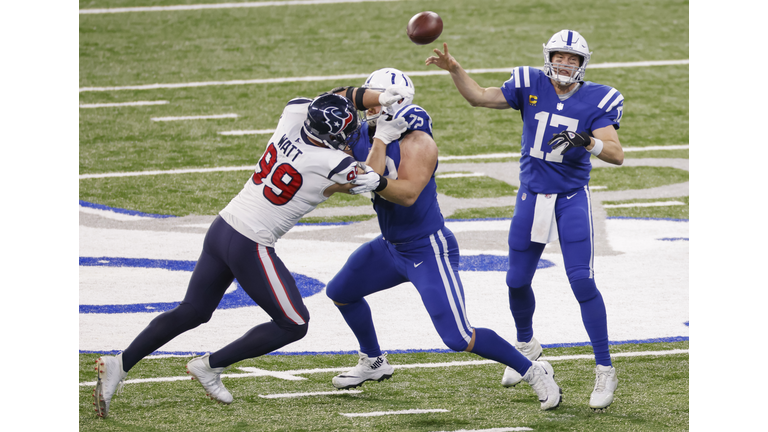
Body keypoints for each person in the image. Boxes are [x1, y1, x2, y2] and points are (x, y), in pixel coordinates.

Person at [92, 86, 413, 418]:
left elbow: (335, 96)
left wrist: (378, 97)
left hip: (224, 226)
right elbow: (369, 180)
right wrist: (383, 137)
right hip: (250, 243)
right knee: (294, 323)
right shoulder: (333, 161)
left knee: (193, 310)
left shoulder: (295, 113)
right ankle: (210, 365)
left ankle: (121, 363)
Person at [325, 68, 562, 411]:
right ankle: (374, 361)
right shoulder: (365, 134)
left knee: (458, 337)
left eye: (381, 99)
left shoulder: (419, 142)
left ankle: (534, 370)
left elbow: (406, 195)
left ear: (399, 105)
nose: (372, 105)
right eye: (371, 97)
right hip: (390, 246)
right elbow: (340, 180)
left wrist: (369, 177)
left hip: (426, 248)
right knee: (341, 293)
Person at [425, 29, 624, 410]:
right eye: (560, 56)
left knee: (582, 281)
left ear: (583, 63)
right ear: (548, 57)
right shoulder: (529, 83)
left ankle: (604, 367)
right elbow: (480, 97)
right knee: (516, 281)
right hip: (532, 196)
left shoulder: (598, 98)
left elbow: (616, 154)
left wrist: (587, 141)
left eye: (573, 58)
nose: (565, 64)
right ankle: (527, 346)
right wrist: (454, 69)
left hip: (569, 200)